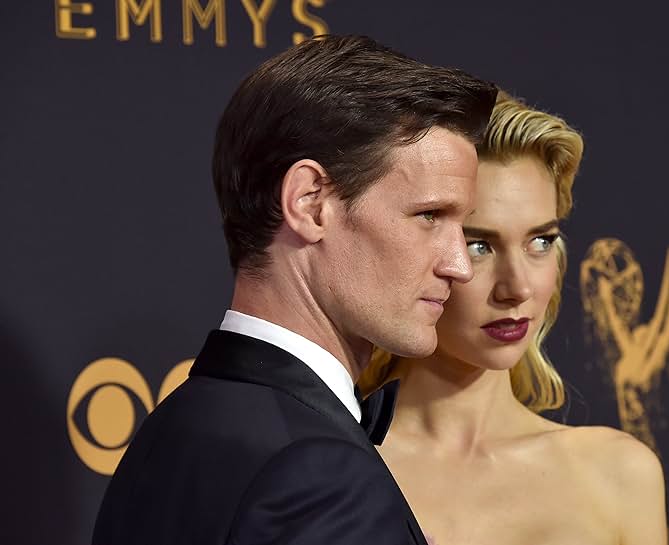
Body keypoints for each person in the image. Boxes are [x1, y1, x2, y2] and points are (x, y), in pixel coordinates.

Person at [92, 35, 496, 545]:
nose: (460, 266)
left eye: (464, 227)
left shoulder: (171, 429)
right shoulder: (318, 475)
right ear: (309, 203)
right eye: (429, 216)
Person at [358, 91, 667, 545]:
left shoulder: (619, 474)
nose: (518, 288)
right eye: (478, 245)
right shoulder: (335, 465)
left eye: (539, 242)